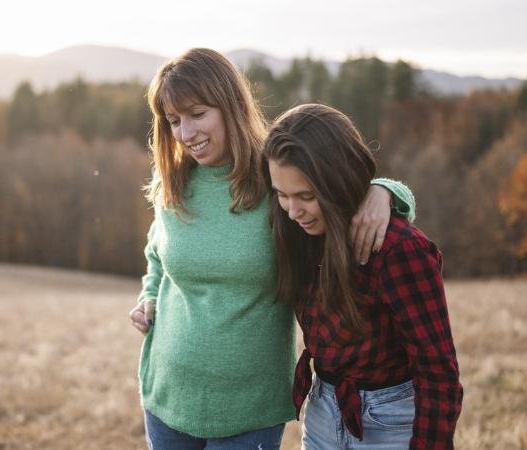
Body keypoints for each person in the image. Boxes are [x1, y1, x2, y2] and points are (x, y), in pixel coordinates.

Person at [128, 48, 416, 449]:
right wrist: (148, 295)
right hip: (167, 394)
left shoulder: (276, 178)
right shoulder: (174, 183)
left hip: (250, 406)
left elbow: (339, 189)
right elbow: (157, 253)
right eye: (174, 121)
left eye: (197, 114)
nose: (186, 133)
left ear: (230, 105)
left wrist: (385, 191)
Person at [263, 103, 463, 449]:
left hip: (391, 421)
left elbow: (438, 373)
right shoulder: (296, 231)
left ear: (336, 181)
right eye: (282, 195)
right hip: (323, 408)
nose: (293, 211)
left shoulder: (399, 249)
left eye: (306, 197)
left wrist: (384, 190)